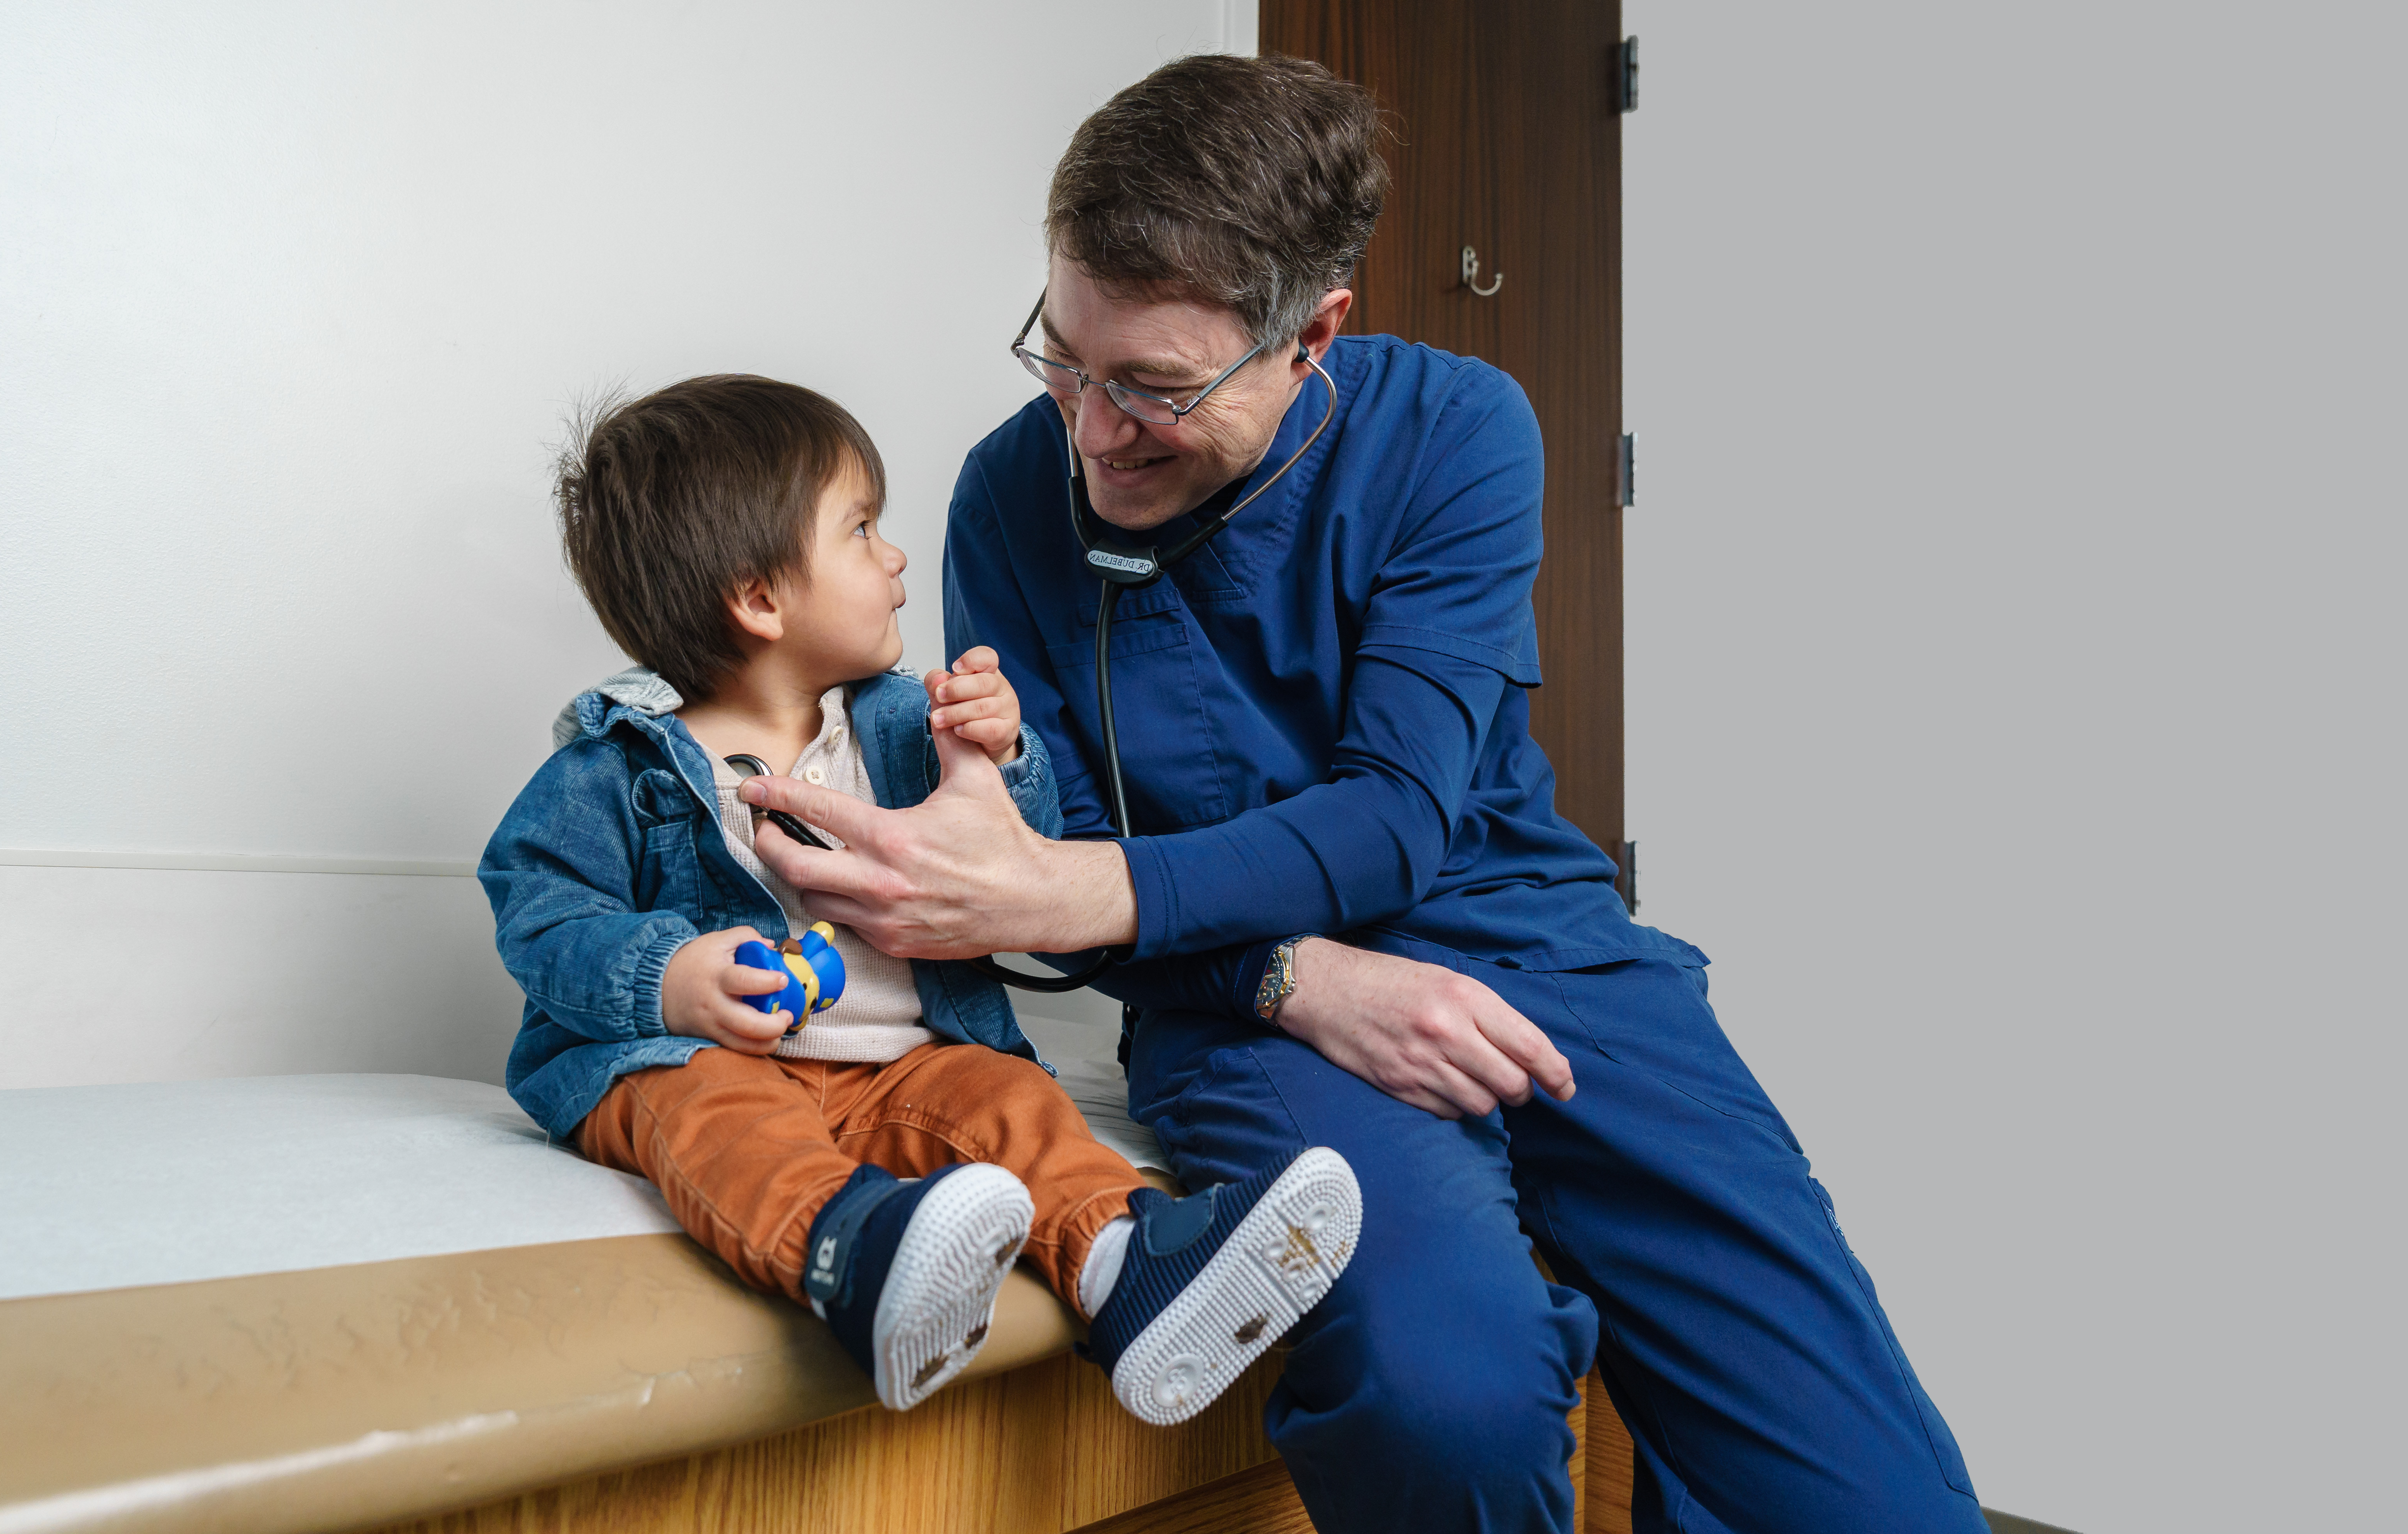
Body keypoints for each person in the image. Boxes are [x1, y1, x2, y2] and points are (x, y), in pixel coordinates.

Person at [738, 57, 1989, 1534]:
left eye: (1153, 388)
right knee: (1441, 1403)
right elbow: (1029, 869)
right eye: (1062, 360)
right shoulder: (1014, 495)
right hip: (1246, 1007)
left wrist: (1064, 892)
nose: (1090, 430)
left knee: (1866, 1493)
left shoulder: (1459, 431)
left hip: (1543, 959)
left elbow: (1392, 817)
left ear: (1313, 334)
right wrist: (1277, 973)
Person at [476, 373, 1362, 1424]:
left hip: (899, 1066)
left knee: (1005, 1099)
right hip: (714, 1062)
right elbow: (539, 914)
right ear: (761, 598)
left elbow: (1011, 846)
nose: (894, 558)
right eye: (861, 531)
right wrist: (666, 979)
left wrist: (1003, 753)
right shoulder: (616, 770)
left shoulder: (900, 725)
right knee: (708, 1110)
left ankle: (1128, 1266)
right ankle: (854, 1249)